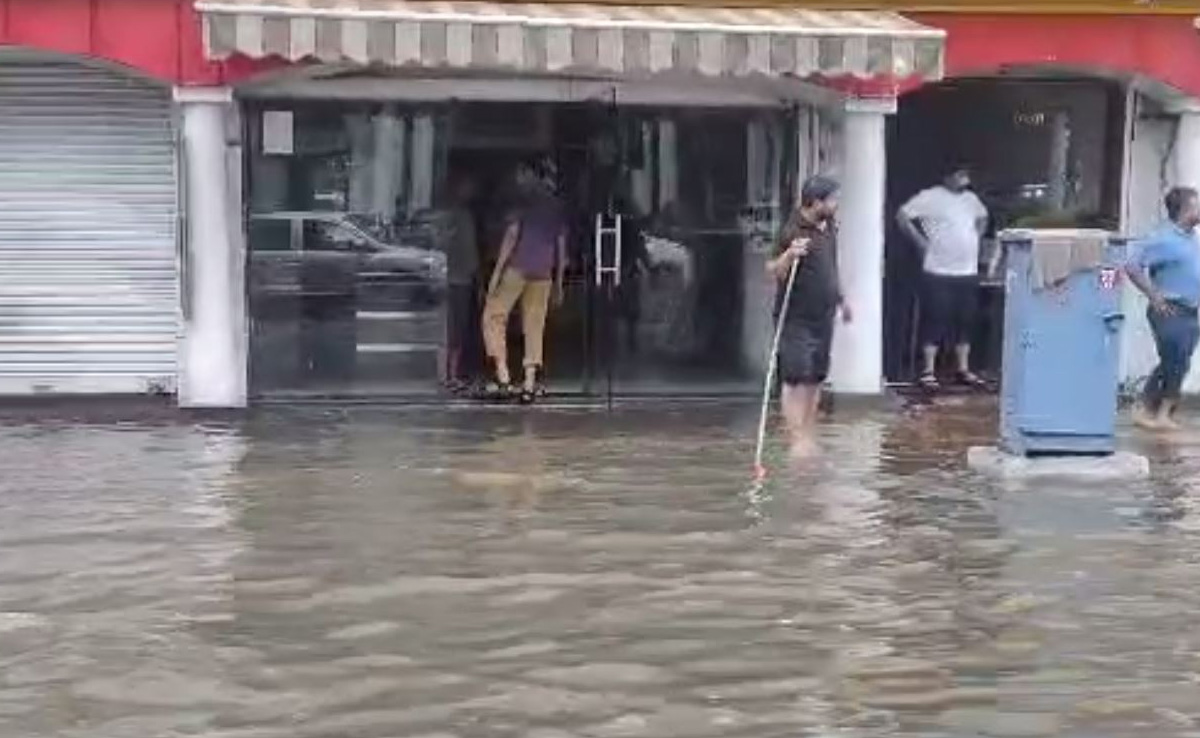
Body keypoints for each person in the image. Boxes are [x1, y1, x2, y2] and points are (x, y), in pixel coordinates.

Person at [765, 175, 851, 459]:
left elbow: (831, 268)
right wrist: (790, 254)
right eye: (832, 200)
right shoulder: (792, 229)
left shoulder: (828, 229)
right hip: (796, 319)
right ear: (815, 202)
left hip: (822, 316)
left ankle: (808, 433)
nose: (837, 204)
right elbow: (773, 270)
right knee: (795, 378)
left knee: (815, 377)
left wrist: (842, 299)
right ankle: (796, 440)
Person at [481, 158, 568, 404]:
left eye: (520, 173)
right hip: (543, 273)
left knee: (493, 315)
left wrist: (496, 273)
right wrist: (559, 283)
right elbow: (561, 247)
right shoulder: (556, 205)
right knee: (534, 324)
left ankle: (503, 376)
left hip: (518, 268)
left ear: (531, 174)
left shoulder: (523, 200)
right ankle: (529, 382)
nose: (517, 179)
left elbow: (512, 234)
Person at [897, 166, 989, 390]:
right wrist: (920, 242)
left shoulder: (970, 199)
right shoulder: (930, 197)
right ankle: (928, 370)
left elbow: (983, 217)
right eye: (959, 174)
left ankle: (963, 369)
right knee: (936, 318)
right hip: (938, 269)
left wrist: (977, 234)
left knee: (966, 319)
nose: (963, 179)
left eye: (965, 175)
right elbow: (902, 215)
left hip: (967, 270)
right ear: (947, 176)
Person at [1126, 186, 1200, 430]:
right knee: (1174, 359)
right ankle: (1156, 411)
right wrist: (1154, 295)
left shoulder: (1192, 238)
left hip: (1190, 310)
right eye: (1197, 205)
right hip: (1169, 309)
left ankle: (1154, 410)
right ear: (1184, 210)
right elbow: (1132, 265)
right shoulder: (1162, 237)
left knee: (1180, 361)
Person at [438, 173, 480, 393]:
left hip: (461, 277)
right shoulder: (454, 216)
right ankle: (449, 375)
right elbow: (443, 243)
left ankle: (451, 374)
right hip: (455, 278)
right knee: (453, 329)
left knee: (457, 328)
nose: (470, 191)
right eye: (466, 186)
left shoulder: (463, 215)